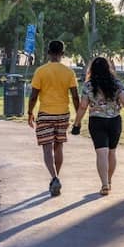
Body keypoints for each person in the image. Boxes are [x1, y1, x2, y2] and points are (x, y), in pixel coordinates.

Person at [72, 57, 124, 196]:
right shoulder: (117, 84)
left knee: (101, 153)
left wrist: (77, 122)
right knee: (112, 152)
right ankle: (109, 181)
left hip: (96, 122)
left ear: (92, 70)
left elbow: (83, 106)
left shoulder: (88, 85)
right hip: (114, 121)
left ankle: (104, 184)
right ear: (108, 68)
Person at [28, 41, 80, 197]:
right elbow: (75, 96)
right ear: (62, 54)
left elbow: (34, 95)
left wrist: (29, 112)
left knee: (46, 147)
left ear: (49, 53)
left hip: (45, 114)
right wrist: (79, 115)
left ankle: (54, 177)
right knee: (59, 146)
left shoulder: (41, 71)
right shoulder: (69, 72)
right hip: (63, 113)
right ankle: (57, 176)